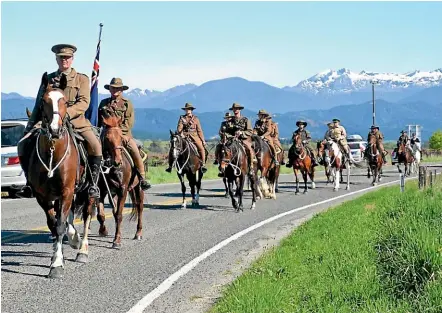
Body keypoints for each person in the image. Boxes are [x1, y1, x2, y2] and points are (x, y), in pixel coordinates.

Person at [17, 44, 102, 198]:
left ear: (72, 59)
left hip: (76, 121)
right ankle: (30, 183)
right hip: (49, 121)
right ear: (56, 59)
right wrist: (29, 127)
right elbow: (39, 104)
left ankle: (93, 184)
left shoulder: (81, 79)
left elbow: (84, 102)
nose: (65, 60)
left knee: (95, 145)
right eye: (61, 57)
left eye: (67, 58)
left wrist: (65, 114)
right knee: (23, 143)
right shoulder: (48, 79)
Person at [98, 77, 151, 190]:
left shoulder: (127, 104)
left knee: (135, 151)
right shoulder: (103, 103)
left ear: (122, 90)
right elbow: (99, 120)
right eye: (113, 88)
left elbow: (129, 122)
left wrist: (119, 133)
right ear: (110, 89)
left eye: (118, 88)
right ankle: (92, 178)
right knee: (93, 149)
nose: (115, 90)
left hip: (123, 134)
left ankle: (142, 178)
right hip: (106, 134)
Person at [166, 103, 207, 173]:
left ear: (191, 110)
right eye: (187, 109)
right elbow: (179, 129)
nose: (188, 110)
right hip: (184, 136)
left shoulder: (196, 119)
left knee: (201, 148)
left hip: (194, 136)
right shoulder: (182, 118)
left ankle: (203, 164)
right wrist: (181, 134)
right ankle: (170, 166)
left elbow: (199, 130)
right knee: (173, 148)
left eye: (189, 109)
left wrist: (203, 140)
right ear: (185, 110)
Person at [221, 102, 256, 175]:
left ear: (240, 110)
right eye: (234, 109)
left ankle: (251, 167)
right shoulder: (230, 121)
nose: (235, 110)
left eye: (237, 109)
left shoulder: (245, 120)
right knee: (223, 149)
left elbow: (250, 131)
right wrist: (230, 136)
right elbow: (227, 132)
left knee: (249, 149)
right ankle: (223, 168)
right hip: (233, 139)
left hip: (244, 139)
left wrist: (241, 133)